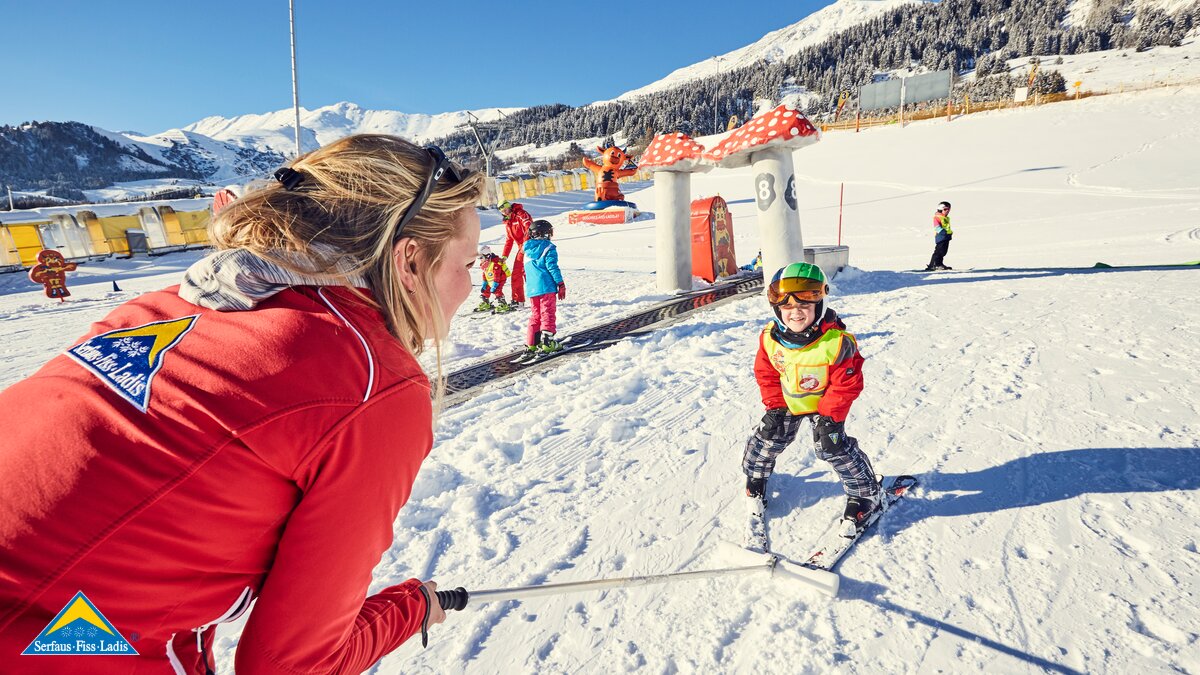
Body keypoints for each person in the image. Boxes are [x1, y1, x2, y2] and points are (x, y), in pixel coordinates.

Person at [0, 134, 485, 674]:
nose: (472, 284)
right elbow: (289, 665)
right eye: (468, 262)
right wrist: (408, 608)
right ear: (409, 262)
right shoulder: (371, 385)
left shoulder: (162, 308)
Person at [743, 262, 881, 538]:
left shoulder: (837, 342)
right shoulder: (770, 338)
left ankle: (866, 495)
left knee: (832, 446)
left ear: (819, 304)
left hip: (824, 406)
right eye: (787, 306)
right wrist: (775, 405)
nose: (796, 312)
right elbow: (766, 372)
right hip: (787, 402)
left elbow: (848, 382)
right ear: (776, 307)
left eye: (805, 304)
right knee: (768, 437)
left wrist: (830, 417)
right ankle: (755, 477)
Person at [522, 219, 567, 355]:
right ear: (545, 233)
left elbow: (524, 271)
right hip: (546, 287)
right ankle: (548, 342)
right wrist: (560, 283)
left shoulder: (526, 250)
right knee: (547, 312)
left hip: (532, 289)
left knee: (536, 315)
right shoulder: (548, 247)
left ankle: (532, 344)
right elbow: (552, 267)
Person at [499, 199, 532, 307]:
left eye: (505, 208)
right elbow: (509, 240)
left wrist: (525, 244)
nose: (504, 211)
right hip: (521, 248)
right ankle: (518, 301)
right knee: (517, 273)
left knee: (529, 273)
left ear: (509, 206)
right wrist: (504, 256)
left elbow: (529, 228)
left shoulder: (521, 214)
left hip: (530, 246)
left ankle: (538, 297)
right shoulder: (508, 222)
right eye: (501, 210)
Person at [475, 245, 512, 313]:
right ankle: (486, 302)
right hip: (491, 279)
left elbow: (497, 275)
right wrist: (484, 283)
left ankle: (503, 304)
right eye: (478, 258)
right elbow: (485, 273)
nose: (480, 259)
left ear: (487, 255)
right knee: (486, 289)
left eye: (481, 257)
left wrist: (495, 285)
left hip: (500, 279)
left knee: (496, 290)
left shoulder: (495, 263)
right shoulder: (484, 263)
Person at [925, 200, 954, 271]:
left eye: (948, 209)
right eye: (945, 209)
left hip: (946, 236)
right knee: (939, 251)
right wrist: (943, 232)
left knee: (943, 251)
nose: (947, 211)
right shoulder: (937, 217)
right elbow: (937, 227)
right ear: (940, 209)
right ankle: (933, 265)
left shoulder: (946, 217)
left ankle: (939, 263)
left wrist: (949, 233)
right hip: (941, 236)